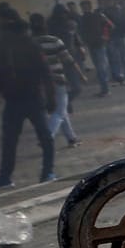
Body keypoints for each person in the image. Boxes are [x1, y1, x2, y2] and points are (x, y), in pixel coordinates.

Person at [0, 8, 55, 190]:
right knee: (12, 139)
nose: (1, 27)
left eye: (4, 24)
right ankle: (7, 176)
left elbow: (45, 72)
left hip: (31, 98)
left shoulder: (29, 44)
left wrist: (50, 96)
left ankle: (46, 172)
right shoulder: (0, 47)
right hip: (16, 99)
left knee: (42, 137)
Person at [29, 12, 85, 148]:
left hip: (39, 82)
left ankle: (71, 138)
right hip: (57, 79)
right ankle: (46, 137)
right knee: (59, 111)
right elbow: (69, 60)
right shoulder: (54, 40)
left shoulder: (29, 43)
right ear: (45, 25)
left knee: (62, 110)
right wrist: (81, 75)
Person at [77, 0, 113, 97]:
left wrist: (105, 36)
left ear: (89, 6)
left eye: (85, 7)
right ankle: (104, 88)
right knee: (100, 68)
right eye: (82, 7)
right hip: (93, 45)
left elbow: (109, 25)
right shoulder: (84, 18)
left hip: (98, 44)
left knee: (101, 68)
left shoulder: (96, 16)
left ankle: (105, 89)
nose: (84, 9)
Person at [104, 0, 125, 84]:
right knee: (123, 58)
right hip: (119, 36)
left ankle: (119, 76)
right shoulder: (120, 11)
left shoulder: (105, 12)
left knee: (117, 58)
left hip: (114, 37)